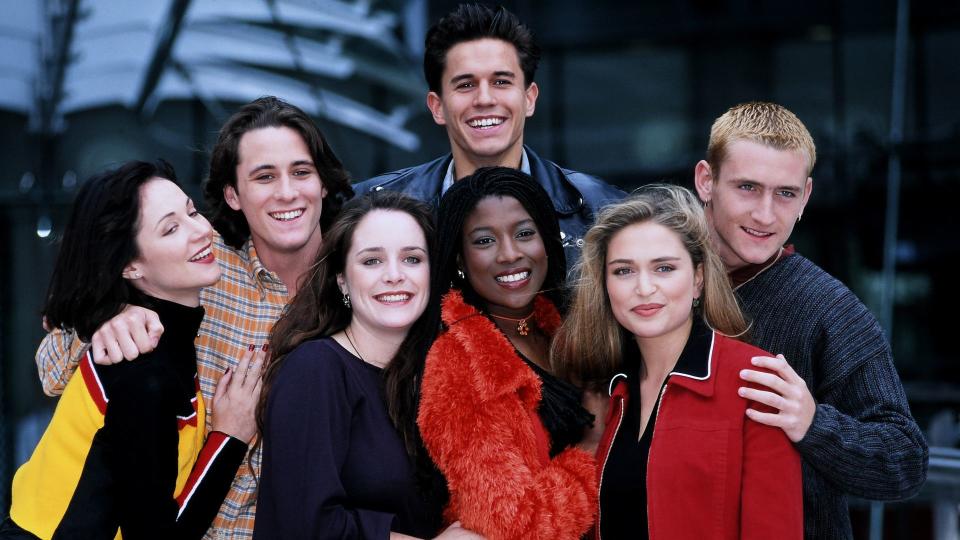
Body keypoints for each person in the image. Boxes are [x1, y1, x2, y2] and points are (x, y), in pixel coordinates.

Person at [32, 96, 355, 538]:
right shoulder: (195, 272)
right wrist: (106, 319)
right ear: (232, 195)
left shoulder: (364, 284)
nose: (286, 192)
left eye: (301, 172)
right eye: (264, 177)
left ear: (323, 182)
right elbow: (51, 373)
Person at [692, 101, 928, 538]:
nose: (766, 215)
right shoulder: (656, 281)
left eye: (785, 193)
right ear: (706, 180)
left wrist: (814, 423)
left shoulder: (830, 310)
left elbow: (905, 460)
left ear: (806, 196)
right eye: (747, 187)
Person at [1, 161, 260, 539]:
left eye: (191, 212)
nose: (202, 231)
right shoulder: (141, 367)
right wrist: (231, 435)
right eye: (171, 229)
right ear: (131, 266)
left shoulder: (157, 340)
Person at [551, 184, 802, 539]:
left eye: (664, 268)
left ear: (698, 278)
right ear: (605, 285)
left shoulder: (755, 381)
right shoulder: (606, 391)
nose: (644, 287)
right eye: (623, 271)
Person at [254, 191, 480, 540]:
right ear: (342, 279)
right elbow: (306, 525)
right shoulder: (315, 371)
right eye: (372, 261)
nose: (394, 275)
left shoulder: (439, 375)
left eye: (412, 259)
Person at [352, 3, 624, 269]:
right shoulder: (368, 209)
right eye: (466, 85)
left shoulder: (602, 210)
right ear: (437, 107)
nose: (484, 99)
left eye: (501, 82)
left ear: (529, 99)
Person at [417, 167, 597, 540]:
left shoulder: (566, 331)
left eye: (525, 234)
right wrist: (592, 450)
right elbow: (514, 526)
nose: (510, 254)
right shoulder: (457, 363)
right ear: (459, 260)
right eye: (484, 241)